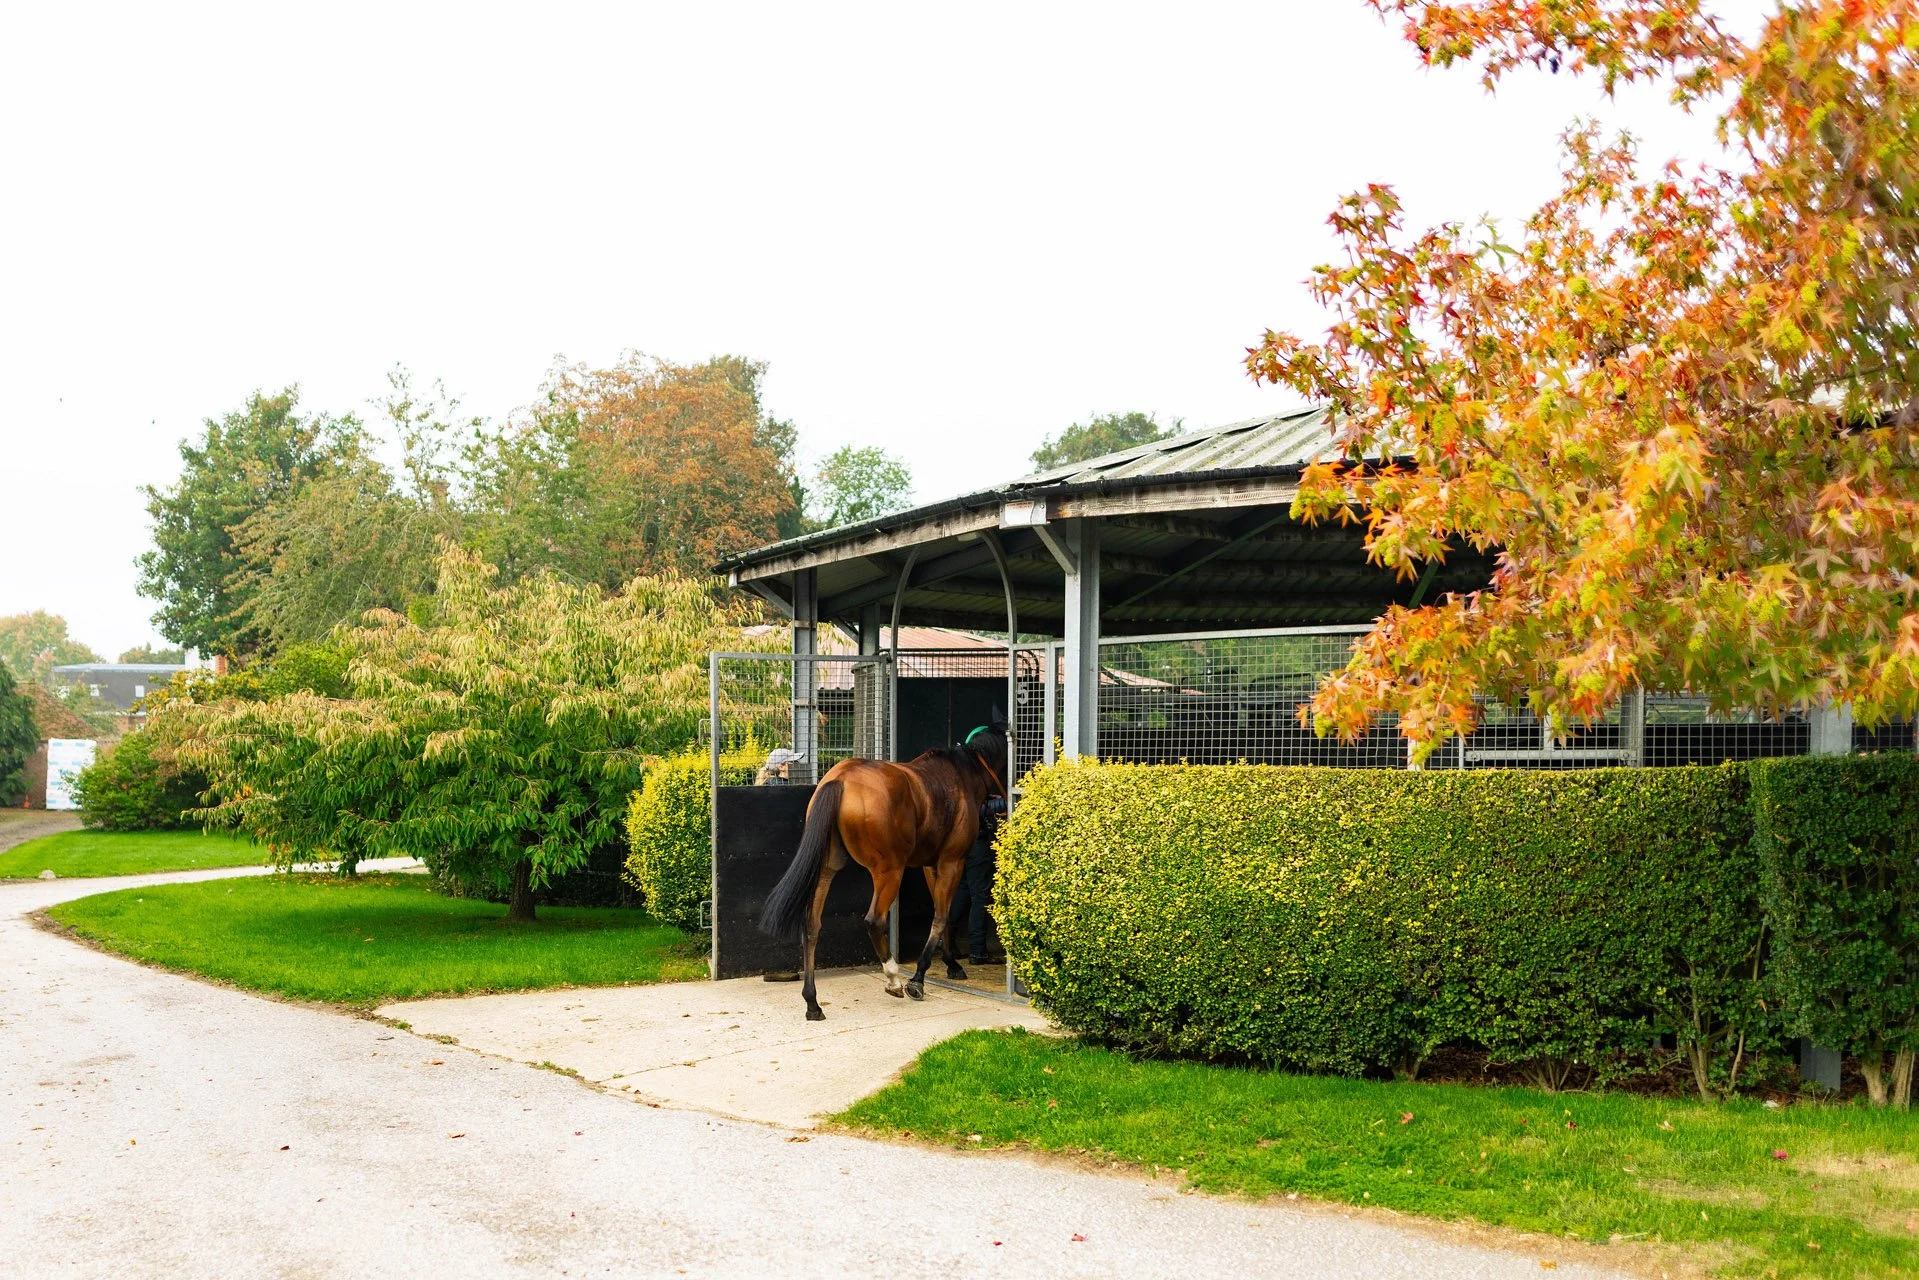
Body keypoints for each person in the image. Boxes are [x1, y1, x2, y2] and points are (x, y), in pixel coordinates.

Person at [946, 795, 1004, 964]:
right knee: (980, 897)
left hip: (959, 842)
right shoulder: (968, 783)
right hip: (976, 841)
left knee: (963, 891)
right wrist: (1004, 803)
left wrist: (989, 798)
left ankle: (947, 942)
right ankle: (978, 952)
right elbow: (976, 808)